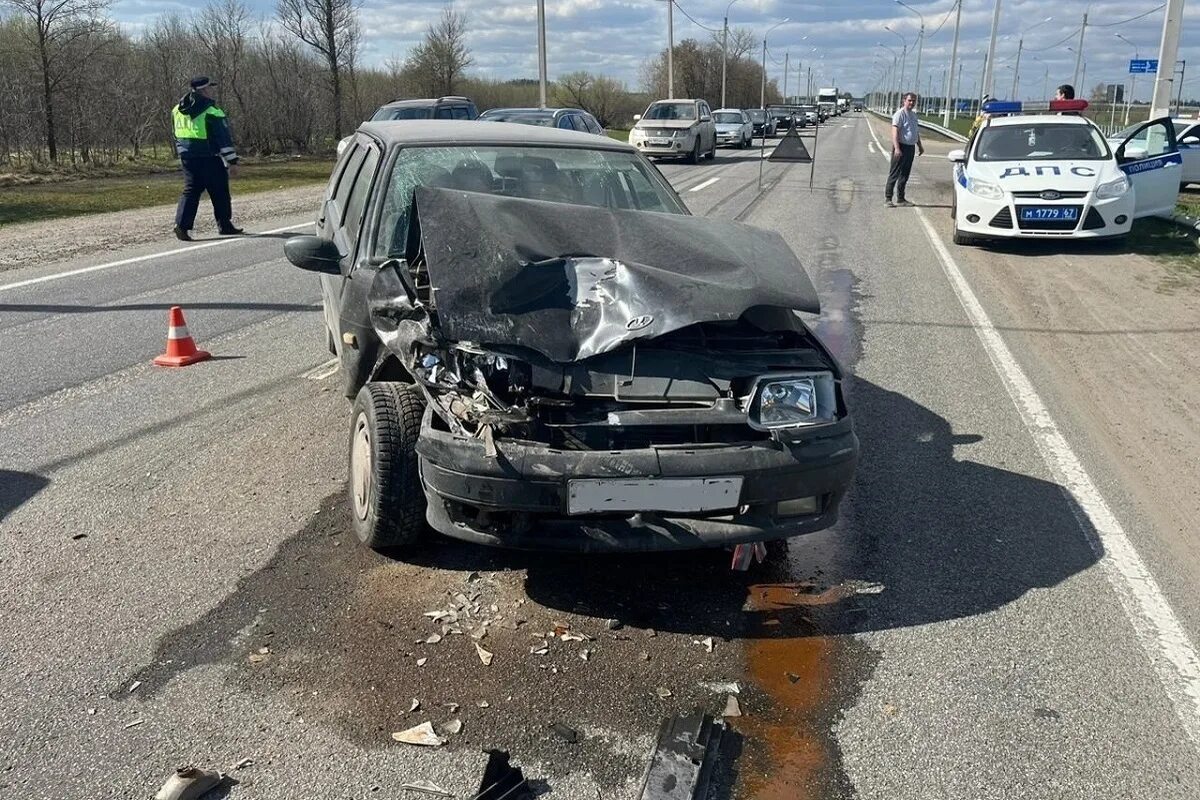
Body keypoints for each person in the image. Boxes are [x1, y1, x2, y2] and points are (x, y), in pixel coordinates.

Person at [172, 76, 243, 241]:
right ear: (203, 90)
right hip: (209, 156)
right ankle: (224, 225)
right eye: (210, 88)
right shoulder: (212, 111)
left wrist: (182, 151)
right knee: (220, 191)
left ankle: (181, 225)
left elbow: (175, 134)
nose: (212, 90)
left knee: (191, 190)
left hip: (187, 156)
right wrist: (232, 161)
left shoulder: (176, 110)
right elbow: (223, 139)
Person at [886, 92, 923, 207]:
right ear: (904, 101)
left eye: (913, 101)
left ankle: (901, 199)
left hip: (910, 148)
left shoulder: (913, 115)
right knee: (894, 173)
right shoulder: (899, 114)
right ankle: (888, 199)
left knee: (905, 174)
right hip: (901, 146)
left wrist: (920, 146)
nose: (911, 103)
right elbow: (895, 132)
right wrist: (897, 148)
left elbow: (915, 132)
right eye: (909, 100)